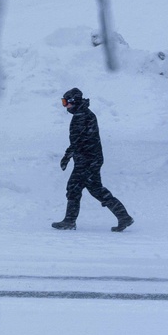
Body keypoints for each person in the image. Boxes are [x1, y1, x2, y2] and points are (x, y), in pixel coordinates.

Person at [52, 88, 134, 232]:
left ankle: (69, 221)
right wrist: (71, 155)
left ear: (74, 102)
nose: (65, 106)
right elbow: (80, 140)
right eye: (63, 102)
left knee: (74, 187)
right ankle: (123, 216)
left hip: (87, 159)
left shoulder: (82, 116)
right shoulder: (82, 114)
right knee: (95, 189)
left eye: (66, 102)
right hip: (89, 158)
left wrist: (67, 155)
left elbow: (80, 140)